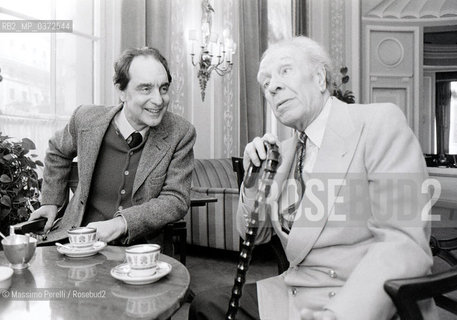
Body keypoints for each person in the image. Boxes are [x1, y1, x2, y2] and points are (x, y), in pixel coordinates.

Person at [189, 36, 436, 320]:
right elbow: (253, 237)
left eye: (285, 71)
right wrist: (252, 181)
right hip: (294, 293)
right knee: (206, 306)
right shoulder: (280, 155)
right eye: (266, 83)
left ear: (320, 78)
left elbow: (403, 244)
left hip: (358, 297)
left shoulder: (378, 123)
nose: (273, 86)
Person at [29, 47, 196, 245]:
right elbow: (57, 151)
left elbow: (176, 199)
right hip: (75, 242)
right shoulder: (86, 119)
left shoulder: (181, 132)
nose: (159, 100)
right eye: (145, 88)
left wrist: (121, 223)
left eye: (164, 88)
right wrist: (51, 201)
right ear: (121, 91)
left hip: (140, 252)